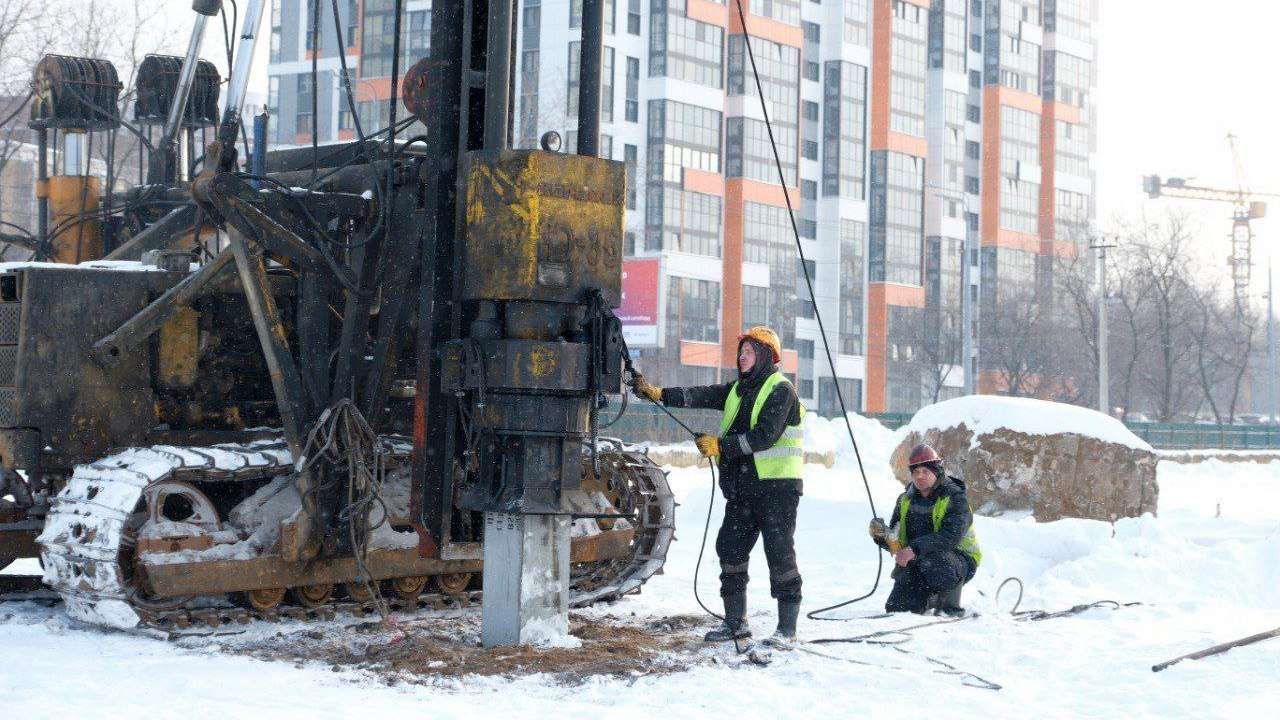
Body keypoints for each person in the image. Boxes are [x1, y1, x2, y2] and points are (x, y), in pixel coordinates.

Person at [630, 326, 805, 646]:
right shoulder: (737, 390)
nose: (741, 356)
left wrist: (721, 446)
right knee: (730, 549)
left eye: (749, 351)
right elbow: (700, 394)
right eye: (741, 352)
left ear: (766, 356)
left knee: (779, 554)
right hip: (744, 489)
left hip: (777, 489)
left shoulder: (781, 390)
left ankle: (786, 630)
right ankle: (736, 623)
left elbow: (764, 436)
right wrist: (658, 393)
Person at [869, 444, 982, 615]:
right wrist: (882, 535)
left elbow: (950, 537)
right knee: (896, 609)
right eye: (915, 472)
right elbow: (897, 541)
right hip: (918, 560)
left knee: (935, 559)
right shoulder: (904, 500)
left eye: (925, 471)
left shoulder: (955, 497)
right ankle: (928, 599)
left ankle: (949, 604)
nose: (920, 475)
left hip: (957, 560)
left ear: (936, 471)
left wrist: (913, 550)